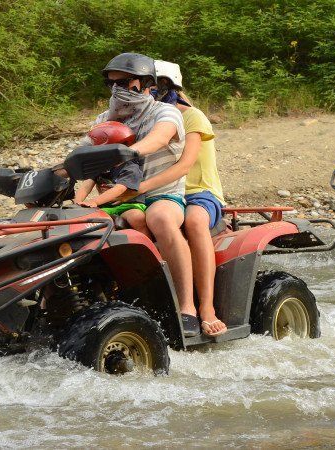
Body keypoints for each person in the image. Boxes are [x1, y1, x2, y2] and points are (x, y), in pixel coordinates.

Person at [93, 52, 199, 336]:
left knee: (160, 219)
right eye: (112, 84)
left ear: (145, 83)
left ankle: (187, 306)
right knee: (85, 226)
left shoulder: (166, 112)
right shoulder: (106, 118)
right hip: (122, 196)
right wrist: (57, 173)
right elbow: (85, 151)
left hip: (163, 194)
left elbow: (159, 138)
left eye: (125, 82)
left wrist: (126, 151)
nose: (118, 89)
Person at [141, 60, 228, 337]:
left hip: (199, 192)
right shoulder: (146, 120)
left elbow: (185, 164)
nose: (152, 91)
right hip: (161, 192)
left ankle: (206, 308)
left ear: (170, 87)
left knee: (193, 221)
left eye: (158, 85)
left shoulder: (192, 117)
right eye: (148, 85)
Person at [73, 123, 151, 238]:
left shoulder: (130, 168)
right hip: (105, 206)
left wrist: (94, 202)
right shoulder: (100, 166)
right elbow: (86, 185)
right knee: (91, 222)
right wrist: (77, 203)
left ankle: (147, 247)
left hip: (129, 205)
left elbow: (119, 189)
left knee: (137, 218)